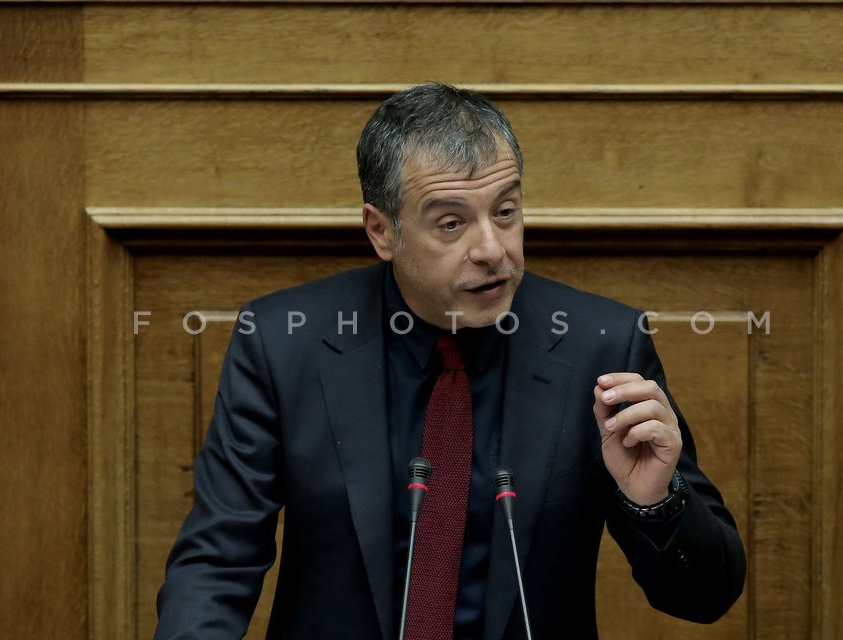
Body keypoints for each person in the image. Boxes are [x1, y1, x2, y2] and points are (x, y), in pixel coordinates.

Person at [154, 82, 746, 640]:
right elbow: (217, 562)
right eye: (451, 223)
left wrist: (655, 502)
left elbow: (706, 598)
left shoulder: (602, 346)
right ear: (382, 231)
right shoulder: (284, 345)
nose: (491, 249)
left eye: (506, 212)